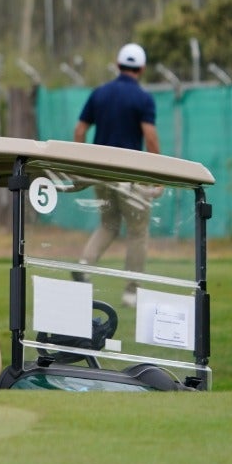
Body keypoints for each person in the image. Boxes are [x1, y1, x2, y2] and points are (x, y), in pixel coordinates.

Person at [73, 41, 161, 307]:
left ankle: (84, 266)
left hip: (101, 172)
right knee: (137, 231)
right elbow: (150, 137)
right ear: (142, 69)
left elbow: (79, 131)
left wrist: (80, 165)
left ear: (118, 64)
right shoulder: (143, 98)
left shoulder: (99, 93)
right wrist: (157, 175)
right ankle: (131, 292)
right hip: (128, 175)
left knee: (108, 224)